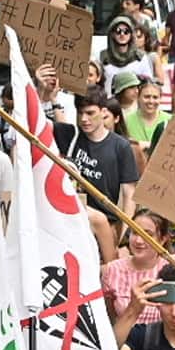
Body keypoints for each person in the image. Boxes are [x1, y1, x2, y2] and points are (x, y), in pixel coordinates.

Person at [56, 90, 139, 261]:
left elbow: (129, 194)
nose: (84, 119)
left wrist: (124, 236)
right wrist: (46, 93)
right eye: (80, 113)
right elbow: (36, 125)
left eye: (90, 113)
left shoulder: (120, 146)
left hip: (106, 227)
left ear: (103, 112)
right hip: (69, 221)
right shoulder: (71, 135)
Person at [103, 211, 166, 328]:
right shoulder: (113, 269)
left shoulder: (173, 268)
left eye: (148, 235)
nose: (138, 241)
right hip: (124, 341)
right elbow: (109, 316)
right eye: (134, 233)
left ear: (162, 239)